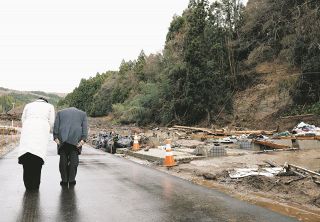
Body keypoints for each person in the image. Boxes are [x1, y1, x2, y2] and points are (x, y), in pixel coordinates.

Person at [18, 97, 55, 190]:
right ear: (45, 101)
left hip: (27, 131)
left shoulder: (28, 105)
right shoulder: (50, 106)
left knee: (26, 163)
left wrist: (28, 126)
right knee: (37, 161)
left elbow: (23, 119)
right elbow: (51, 122)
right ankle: (35, 186)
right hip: (41, 133)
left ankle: (27, 185)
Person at [53, 107, 88, 187]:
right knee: (74, 160)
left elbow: (56, 126)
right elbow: (84, 128)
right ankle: (72, 180)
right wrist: (83, 139)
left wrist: (55, 137)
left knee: (63, 160)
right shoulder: (82, 114)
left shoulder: (60, 113)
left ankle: (64, 180)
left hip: (62, 140)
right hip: (76, 140)